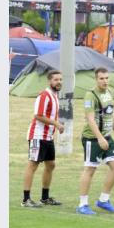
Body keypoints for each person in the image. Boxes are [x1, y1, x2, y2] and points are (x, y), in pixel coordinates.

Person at [76, 68, 114, 215]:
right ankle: (82, 204)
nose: (105, 81)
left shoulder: (109, 93)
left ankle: (103, 200)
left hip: (107, 137)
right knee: (90, 169)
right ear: (96, 79)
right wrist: (99, 138)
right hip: (93, 139)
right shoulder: (90, 96)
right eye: (101, 78)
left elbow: (111, 114)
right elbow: (90, 119)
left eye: (106, 78)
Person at [22, 70, 65, 207]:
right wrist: (56, 124)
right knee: (33, 165)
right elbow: (38, 115)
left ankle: (45, 198)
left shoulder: (55, 95)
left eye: (60, 79)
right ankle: (26, 199)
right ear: (49, 81)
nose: (59, 82)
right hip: (37, 136)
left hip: (48, 137)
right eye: (56, 80)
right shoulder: (44, 95)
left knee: (51, 165)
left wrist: (57, 124)